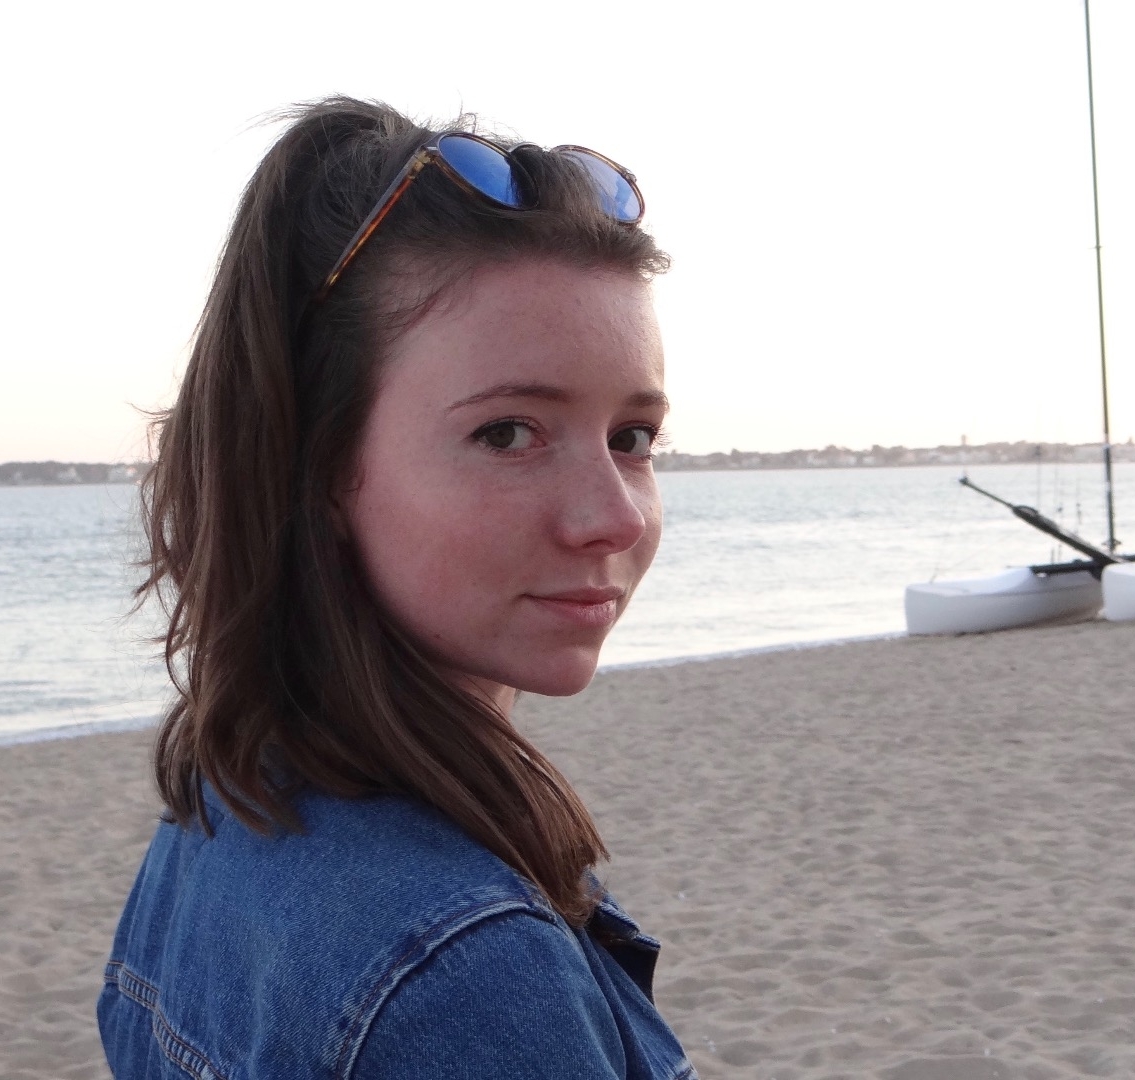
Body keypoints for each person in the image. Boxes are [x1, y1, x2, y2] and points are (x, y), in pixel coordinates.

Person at [98, 96, 693, 1079]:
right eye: (508, 433)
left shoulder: (224, 798)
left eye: (632, 438)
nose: (614, 518)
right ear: (321, 463)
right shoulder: (466, 974)